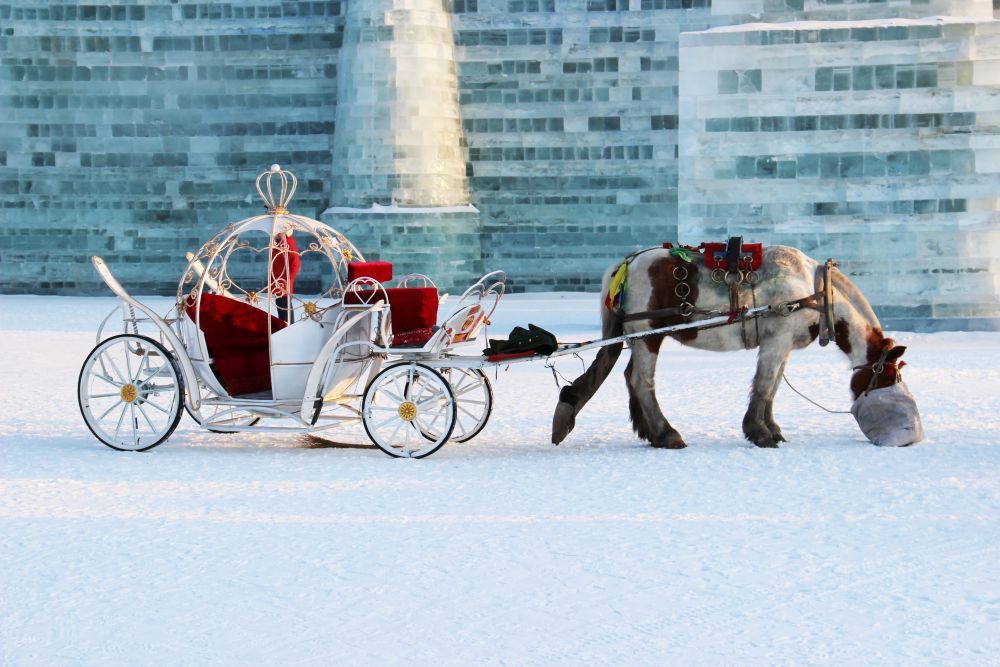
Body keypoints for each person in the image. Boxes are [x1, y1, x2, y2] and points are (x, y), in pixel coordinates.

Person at [269, 227, 300, 323]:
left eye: (279, 232)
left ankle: (288, 328)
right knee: (281, 308)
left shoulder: (288, 244)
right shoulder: (279, 243)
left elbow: (295, 265)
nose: (277, 234)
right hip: (278, 283)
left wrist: (288, 280)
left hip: (283, 284)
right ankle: (284, 327)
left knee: (285, 309)